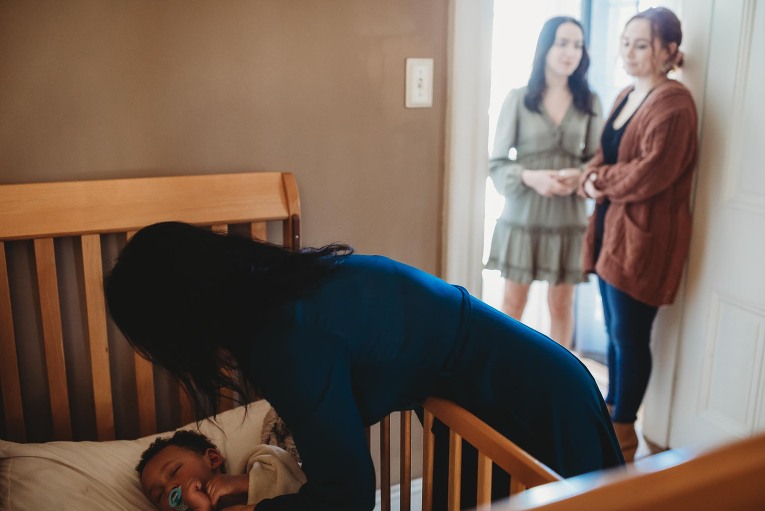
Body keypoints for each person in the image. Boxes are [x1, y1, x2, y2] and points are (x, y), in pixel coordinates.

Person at [105, 221, 624, 511]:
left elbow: (348, 497)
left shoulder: (282, 339)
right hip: (488, 401)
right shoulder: (283, 287)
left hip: (528, 402)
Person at [579, 7, 698, 462]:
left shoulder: (675, 104)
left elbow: (650, 174)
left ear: (668, 51)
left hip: (645, 239)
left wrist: (596, 183)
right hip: (612, 232)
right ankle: (614, 412)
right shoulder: (627, 93)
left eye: (641, 44)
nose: (628, 52)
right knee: (612, 331)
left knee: (630, 335)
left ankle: (625, 432)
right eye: (625, 42)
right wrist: (594, 175)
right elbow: (603, 153)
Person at [487, 16, 603, 348]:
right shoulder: (519, 98)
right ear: (545, 47)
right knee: (512, 305)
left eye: (578, 45)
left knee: (561, 305)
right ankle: (500, 376)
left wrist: (579, 175)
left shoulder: (589, 102)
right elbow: (496, 163)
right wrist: (530, 177)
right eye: (562, 43)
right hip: (523, 219)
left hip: (568, 220)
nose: (570, 52)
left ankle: (560, 381)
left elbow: (597, 159)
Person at [137, 430, 305, 511]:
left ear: (213, 459)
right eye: (159, 496)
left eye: (174, 471)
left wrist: (244, 482)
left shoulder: (260, 467)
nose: (169, 489)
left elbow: (293, 478)